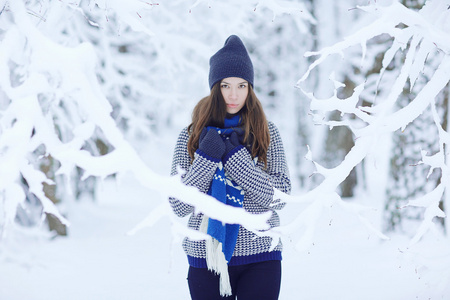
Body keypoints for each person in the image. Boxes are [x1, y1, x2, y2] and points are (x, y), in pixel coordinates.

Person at [169, 35, 291, 300]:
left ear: (250, 88)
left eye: (241, 85)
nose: (233, 94)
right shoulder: (191, 136)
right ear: (215, 87)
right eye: (225, 85)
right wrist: (206, 158)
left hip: (261, 255)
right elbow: (179, 205)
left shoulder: (266, 132)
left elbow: (280, 197)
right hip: (206, 259)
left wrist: (237, 161)